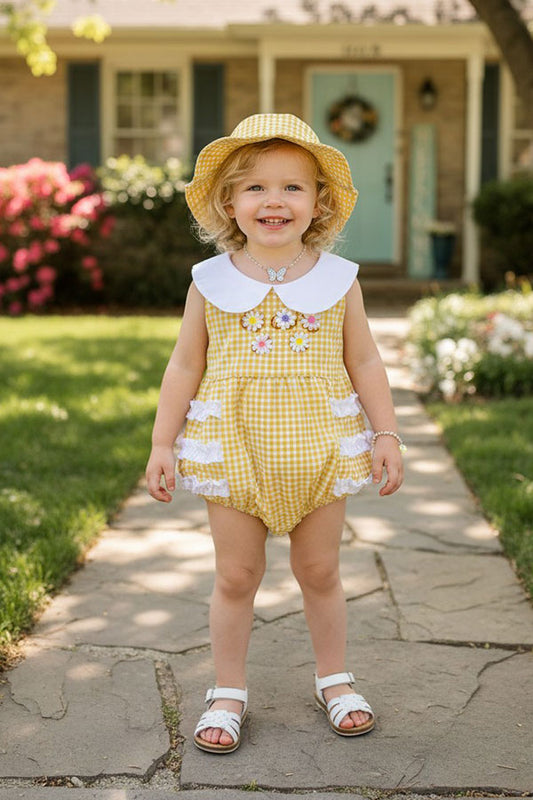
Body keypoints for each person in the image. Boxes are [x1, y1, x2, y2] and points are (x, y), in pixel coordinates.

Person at [146, 113, 404, 754]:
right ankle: (228, 689)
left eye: (293, 187)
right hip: (236, 451)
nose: (274, 201)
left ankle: (335, 679)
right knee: (236, 576)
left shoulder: (339, 281)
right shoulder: (210, 282)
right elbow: (185, 365)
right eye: (256, 187)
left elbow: (364, 360)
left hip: (319, 451)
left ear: (318, 203)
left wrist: (387, 433)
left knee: (320, 571)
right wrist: (161, 443)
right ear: (229, 203)